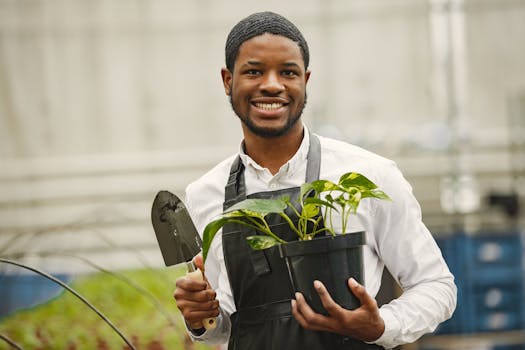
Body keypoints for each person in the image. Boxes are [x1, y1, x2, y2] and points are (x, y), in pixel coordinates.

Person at [173, 11, 456, 350]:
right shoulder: (205, 193)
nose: (272, 84)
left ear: (305, 80)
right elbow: (229, 329)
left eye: (288, 72)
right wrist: (201, 319)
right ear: (227, 80)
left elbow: (437, 286)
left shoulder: (370, 174)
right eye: (254, 71)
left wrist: (381, 325)